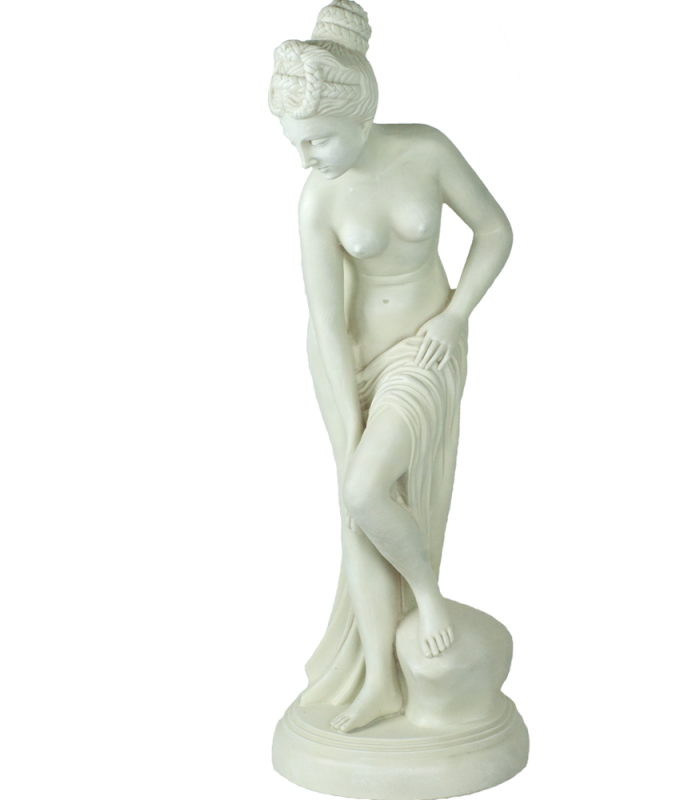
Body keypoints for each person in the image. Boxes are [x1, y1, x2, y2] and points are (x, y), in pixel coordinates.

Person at [269, 0, 513, 734]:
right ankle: (379, 678)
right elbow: (323, 319)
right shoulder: (317, 200)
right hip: (352, 362)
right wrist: (346, 417)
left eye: (317, 139)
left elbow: (494, 231)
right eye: (295, 142)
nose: (306, 157)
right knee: (360, 511)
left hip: (425, 351)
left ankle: (428, 599)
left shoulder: (427, 151)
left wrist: (455, 315)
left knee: (367, 490)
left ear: (361, 115)